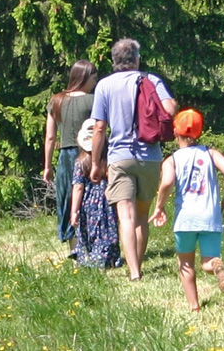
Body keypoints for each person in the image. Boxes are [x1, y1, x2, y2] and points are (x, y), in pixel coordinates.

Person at [90, 38, 177, 280]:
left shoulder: (104, 86)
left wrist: (96, 163)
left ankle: (134, 272)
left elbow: (99, 128)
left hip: (119, 157)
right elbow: (170, 110)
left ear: (114, 60)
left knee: (125, 216)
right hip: (150, 156)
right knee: (141, 216)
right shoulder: (151, 80)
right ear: (137, 59)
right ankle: (137, 262)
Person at [148, 109, 224, 312]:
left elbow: (168, 182)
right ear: (199, 132)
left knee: (186, 263)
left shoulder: (172, 159)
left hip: (185, 219)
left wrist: (159, 206)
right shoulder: (210, 153)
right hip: (210, 217)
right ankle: (216, 265)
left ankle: (194, 307)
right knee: (208, 262)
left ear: (175, 132)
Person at [43, 60, 98, 248]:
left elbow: (50, 137)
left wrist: (47, 166)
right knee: (89, 198)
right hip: (88, 154)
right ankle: (90, 245)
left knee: (67, 198)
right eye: (93, 77)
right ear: (84, 77)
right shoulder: (93, 100)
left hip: (65, 156)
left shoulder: (56, 100)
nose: (95, 81)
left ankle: (73, 247)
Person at [69, 119, 123, 268]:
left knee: (89, 230)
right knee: (108, 229)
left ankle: (90, 257)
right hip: (107, 200)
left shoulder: (81, 162)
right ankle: (110, 258)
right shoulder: (108, 159)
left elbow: (78, 187)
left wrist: (74, 210)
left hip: (88, 203)